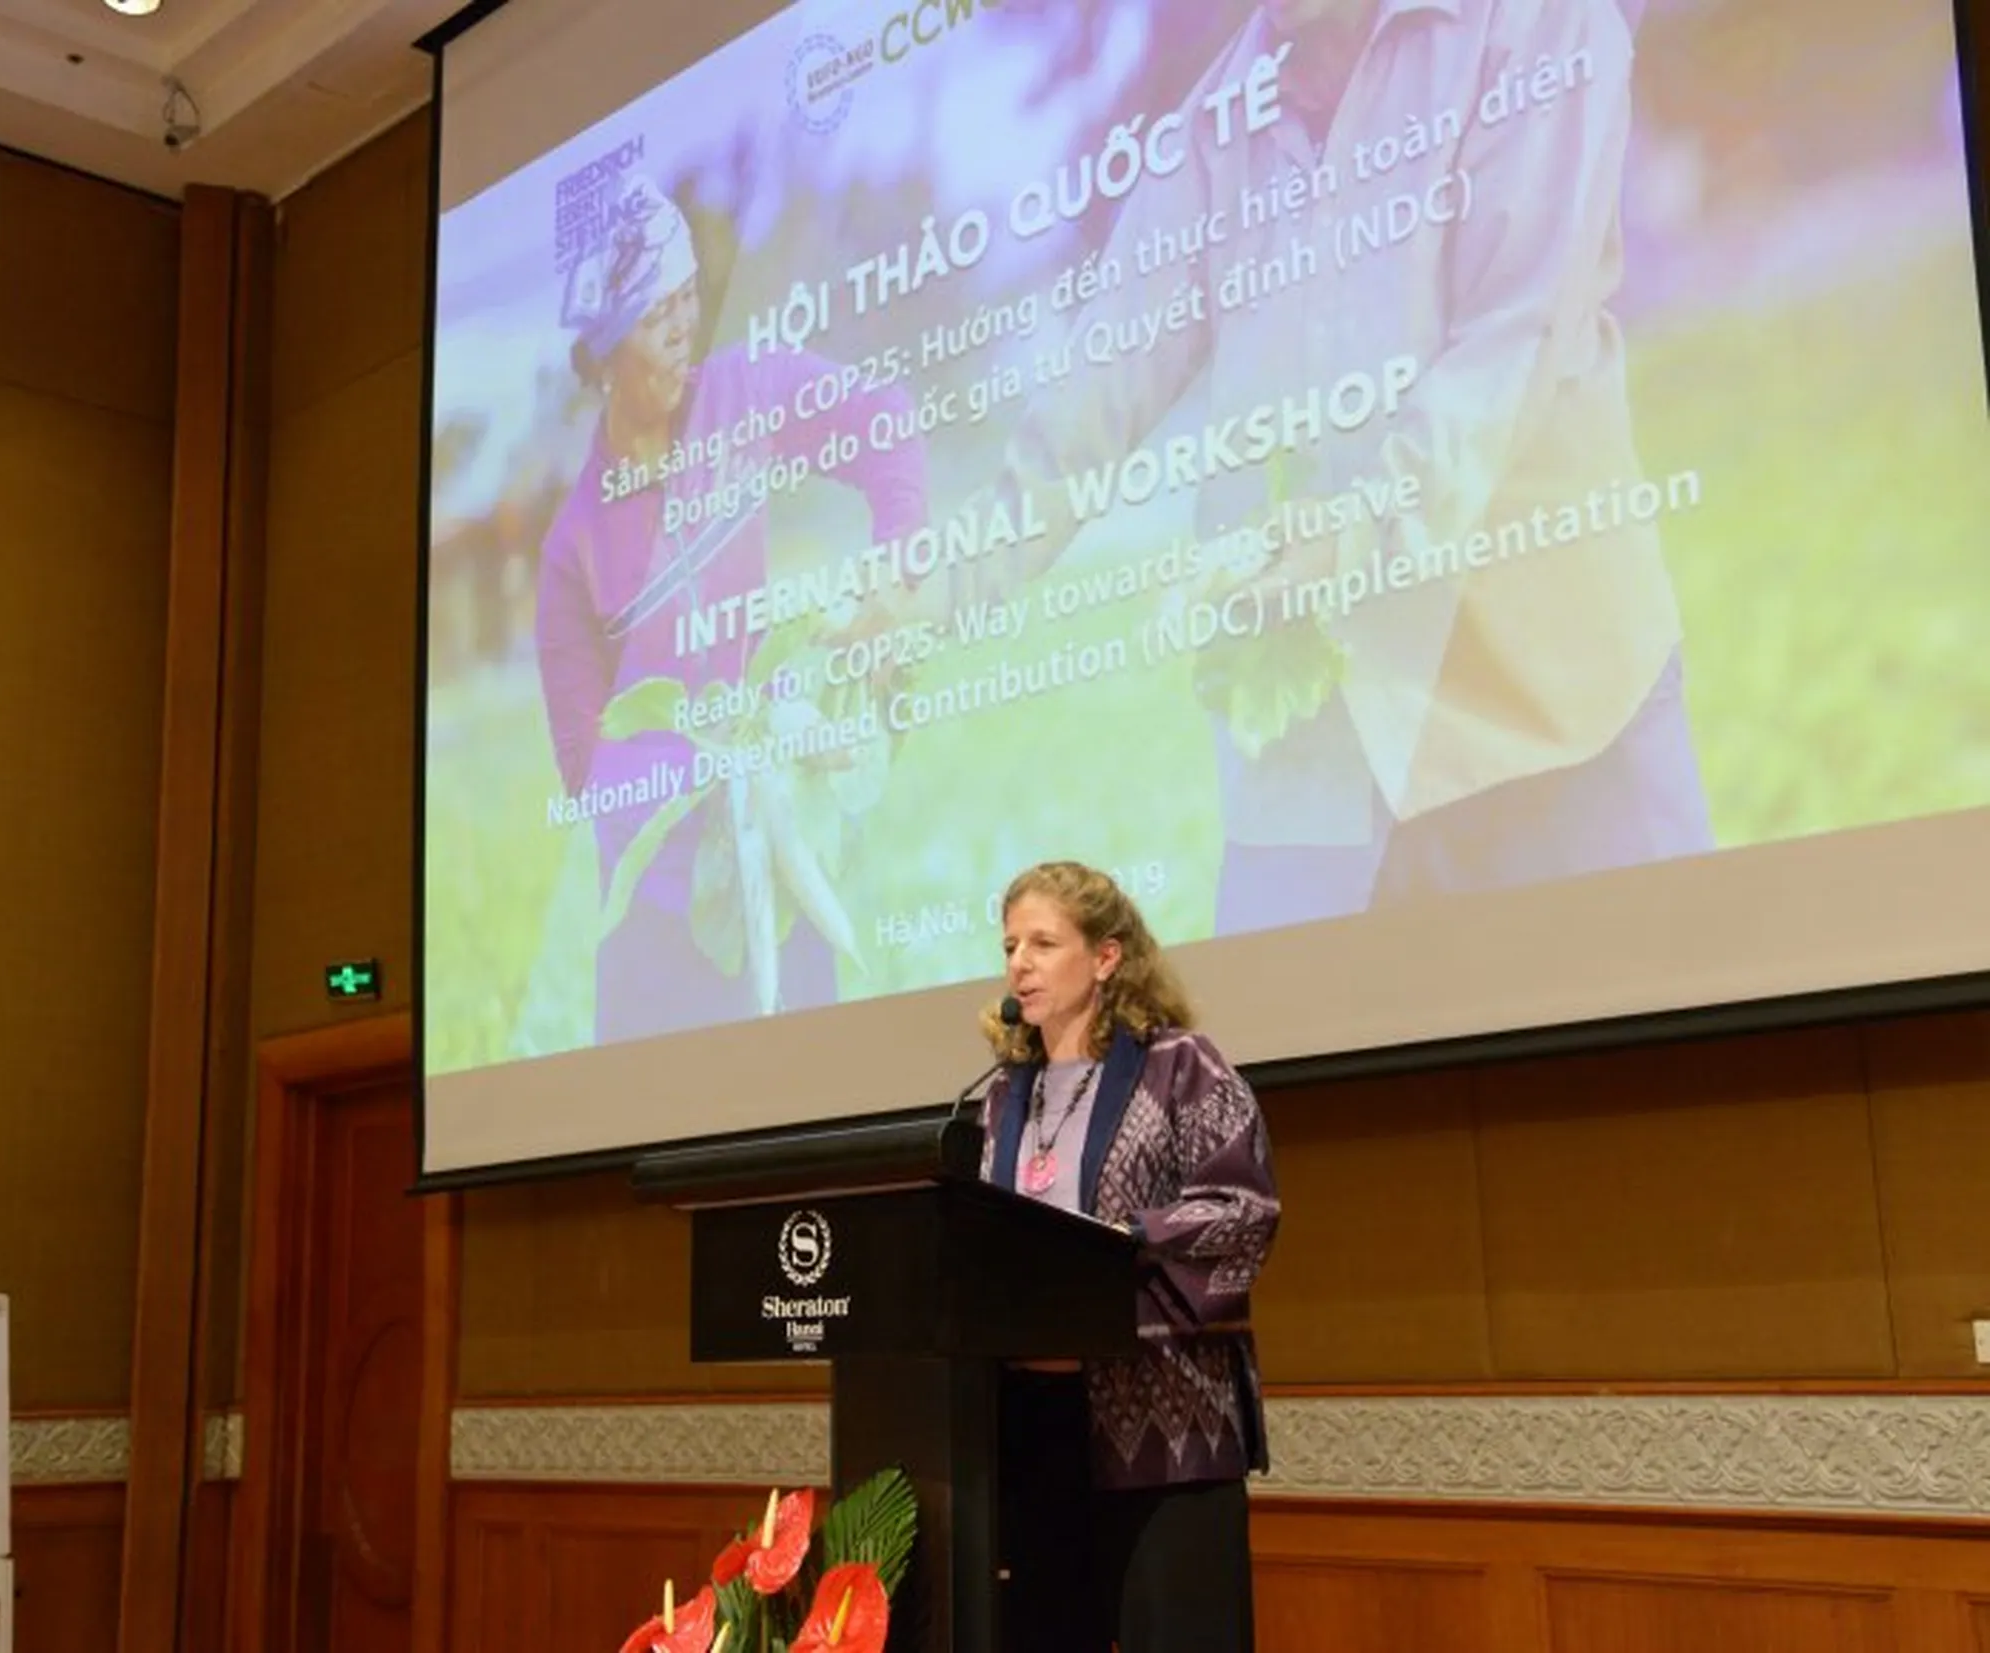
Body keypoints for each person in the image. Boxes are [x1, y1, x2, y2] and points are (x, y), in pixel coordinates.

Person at [984, 0, 1713, 936]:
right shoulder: (1209, 132)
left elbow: (1512, 342)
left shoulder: (1539, 25)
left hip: (1551, 701)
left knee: (1672, 1019)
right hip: (1321, 750)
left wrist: (1356, 529)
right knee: (1274, 1064)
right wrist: (920, 602)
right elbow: (1084, 413)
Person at [534, 174, 929, 1044]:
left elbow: (886, 421)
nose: (681, 334)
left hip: (780, 882)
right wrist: (716, 772)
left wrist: (893, 565)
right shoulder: (575, 547)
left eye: (687, 303)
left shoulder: (745, 392)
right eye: (653, 318)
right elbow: (582, 762)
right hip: (659, 920)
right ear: (599, 355)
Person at [977, 860, 1280, 1653]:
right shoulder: (1003, 1094)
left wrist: (1123, 1242)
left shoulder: (1182, 1066)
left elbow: (1242, 1210)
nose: (1020, 963)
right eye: (1012, 944)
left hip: (1163, 1426)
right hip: (1033, 1431)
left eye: (1044, 942)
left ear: (1106, 957)